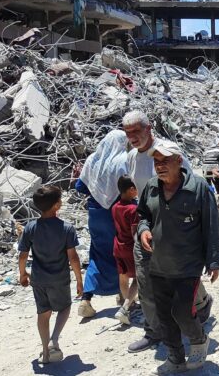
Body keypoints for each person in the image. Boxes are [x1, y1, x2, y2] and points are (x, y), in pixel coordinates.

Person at [122, 110, 211, 354]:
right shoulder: (131, 157)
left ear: (148, 129)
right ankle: (154, 331)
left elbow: (191, 187)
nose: (132, 137)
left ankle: (201, 304)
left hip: (175, 231)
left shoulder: (168, 152)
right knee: (146, 282)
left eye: (136, 131)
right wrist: (141, 226)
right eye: (128, 133)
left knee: (181, 278)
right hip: (147, 229)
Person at [137, 141, 219, 374]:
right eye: (156, 162)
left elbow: (212, 225)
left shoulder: (198, 187)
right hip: (158, 263)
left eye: (165, 161)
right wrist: (143, 230)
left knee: (182, 312)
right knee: (164, 316)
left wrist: (213, 261)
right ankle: (175, 358)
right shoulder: (151, 187)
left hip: (187, 264)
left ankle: (198, 339)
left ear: (178, 161)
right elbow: (143, 214)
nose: (159, 166)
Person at [18, 185, 83, 364]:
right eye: (59, 200)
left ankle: (46, 353)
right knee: (65, 307)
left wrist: (23, 274)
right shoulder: (66, 228)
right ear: (56, 205)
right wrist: (79, 280)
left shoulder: (30, 228)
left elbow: (22, 255)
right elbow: (73, 258)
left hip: (38, 279)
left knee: (43, 313)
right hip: (59, 279)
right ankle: (54, 339)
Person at [74, 130, 128, 318]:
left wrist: (98, 192)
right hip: (118, 214)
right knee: (120, 252)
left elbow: (80, 186)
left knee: (97, 254)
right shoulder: (124, 160)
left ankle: (86, 299)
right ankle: (124, 296)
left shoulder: (92, 159)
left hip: (95, 214)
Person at [111, 175, 139, 326]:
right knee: (138, 278)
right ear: (131, 189)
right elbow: (135, 232)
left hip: (118, 246)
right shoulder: (133, 209)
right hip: (130, 248)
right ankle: (125, 308)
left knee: (123, 276)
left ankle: (129, 303)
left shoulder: (115, 207)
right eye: (135, 189)